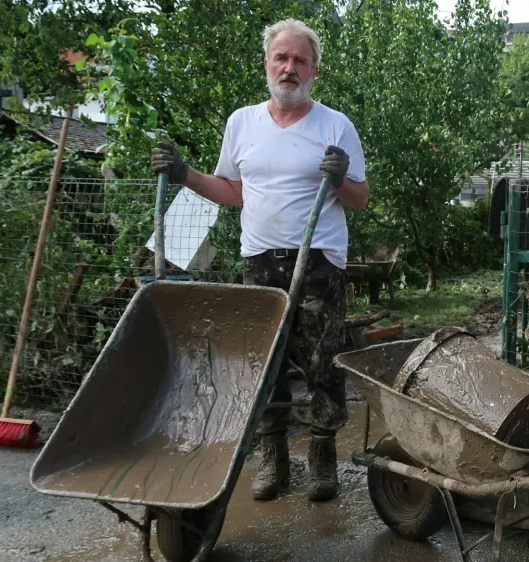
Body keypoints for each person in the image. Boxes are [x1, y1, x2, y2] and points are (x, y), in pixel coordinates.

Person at [151, 18, 369, 503]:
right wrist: (186, 173)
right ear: (268, 63)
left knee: (322, 364)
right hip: (260, 262)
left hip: (318, 263)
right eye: (281, 58)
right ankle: (273, 458)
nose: (289, 68)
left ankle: (322, 459)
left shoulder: (335, 125)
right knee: (263, 363)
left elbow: (360, 199)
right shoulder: (241, 122)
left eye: (300, 61)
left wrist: (338, 179)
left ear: (315, 70)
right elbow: (232, 189)